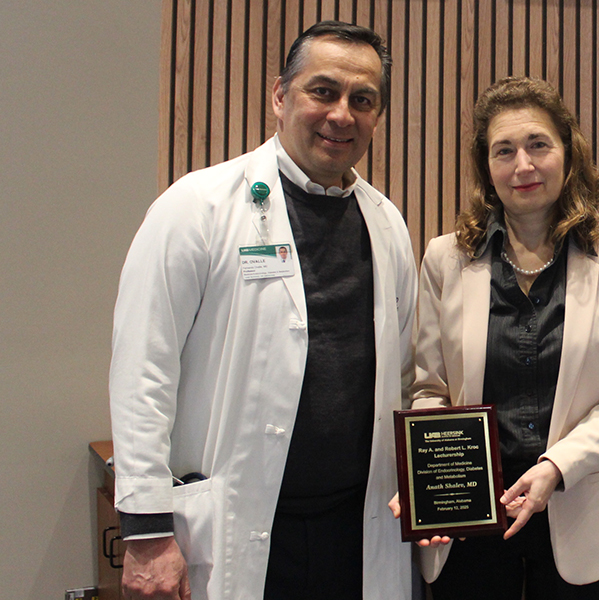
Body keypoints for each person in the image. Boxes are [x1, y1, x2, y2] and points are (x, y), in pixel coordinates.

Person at [110, 21, 417, 600]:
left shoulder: (386, 223)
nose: (341, 115)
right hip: (239, 528)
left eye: (363, 100)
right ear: (280, 95)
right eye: (323, 91)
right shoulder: (196, 207)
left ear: (377, 116)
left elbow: (400, 378)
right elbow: (142, 371)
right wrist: (147, 532)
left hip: (356, 530)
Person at [401, 76, 599, 598]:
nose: (523, 165)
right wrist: (428, 478)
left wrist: (555, 468)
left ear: (568, 154)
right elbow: (429, 389)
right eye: (504, 151)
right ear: (486, 168)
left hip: (578, 511)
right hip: (469, 517)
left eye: (538, 145)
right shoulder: (445, 258)